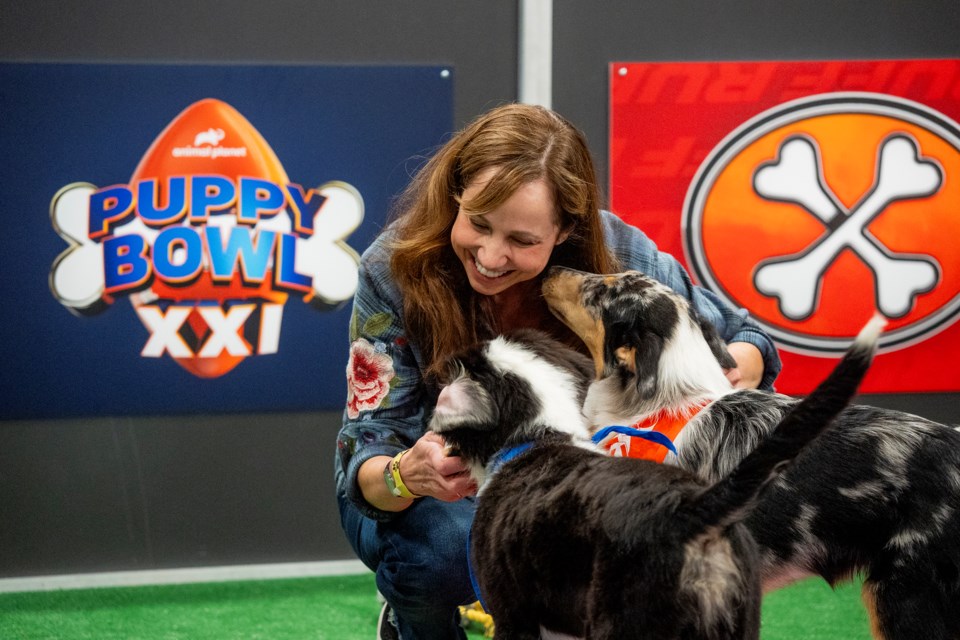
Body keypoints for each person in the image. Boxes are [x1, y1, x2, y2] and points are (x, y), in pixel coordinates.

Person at [335, 103, 781, 640]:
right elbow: (365, 453)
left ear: (568, 229)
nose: (491, 256)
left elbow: (746, 338)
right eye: (478, 223)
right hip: (435, 497)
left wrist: (730, 373)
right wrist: (408, 473)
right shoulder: (392, 268)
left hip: (576, 483)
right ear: (456, 193)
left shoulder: (619, 251)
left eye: (523, 241)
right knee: (447, 552)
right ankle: (413, 622)